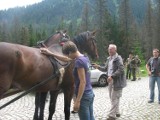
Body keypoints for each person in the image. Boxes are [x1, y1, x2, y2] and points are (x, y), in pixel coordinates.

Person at [40, 41, 95, 120]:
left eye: (66, 54)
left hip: (84, 96)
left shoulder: (79, 62)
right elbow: (67, 59)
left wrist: (77, 101)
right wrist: (51, 53)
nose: (67, 57)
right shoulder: (84, 57)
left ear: (69, 52)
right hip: (90, 93)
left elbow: (83, 82)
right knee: (91, 117)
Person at [92, 44, 126, 120]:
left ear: (115, 50)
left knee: (114, 97)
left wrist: (112, 76)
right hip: (110, 80)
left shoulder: (118, 58)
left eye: (111, 49)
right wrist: (98, 67)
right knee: (113, 97)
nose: (109, 50)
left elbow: (121, 70)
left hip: (116, 81)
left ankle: (112, 116)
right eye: (109, 49)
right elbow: (105, 69)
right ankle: (117, 112)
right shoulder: (109, 59)